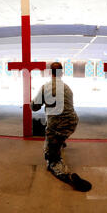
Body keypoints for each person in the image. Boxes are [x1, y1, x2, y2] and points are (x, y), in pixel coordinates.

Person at [31, 62, 92, 192]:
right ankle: (60, 142)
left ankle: (68, 176)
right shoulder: (67, 88)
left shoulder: (45, 87)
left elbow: (34, 107)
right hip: (72, 124)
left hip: (56, 127)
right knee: (58, 131)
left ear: (50, 73)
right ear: (62, 73)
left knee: (51, 159)